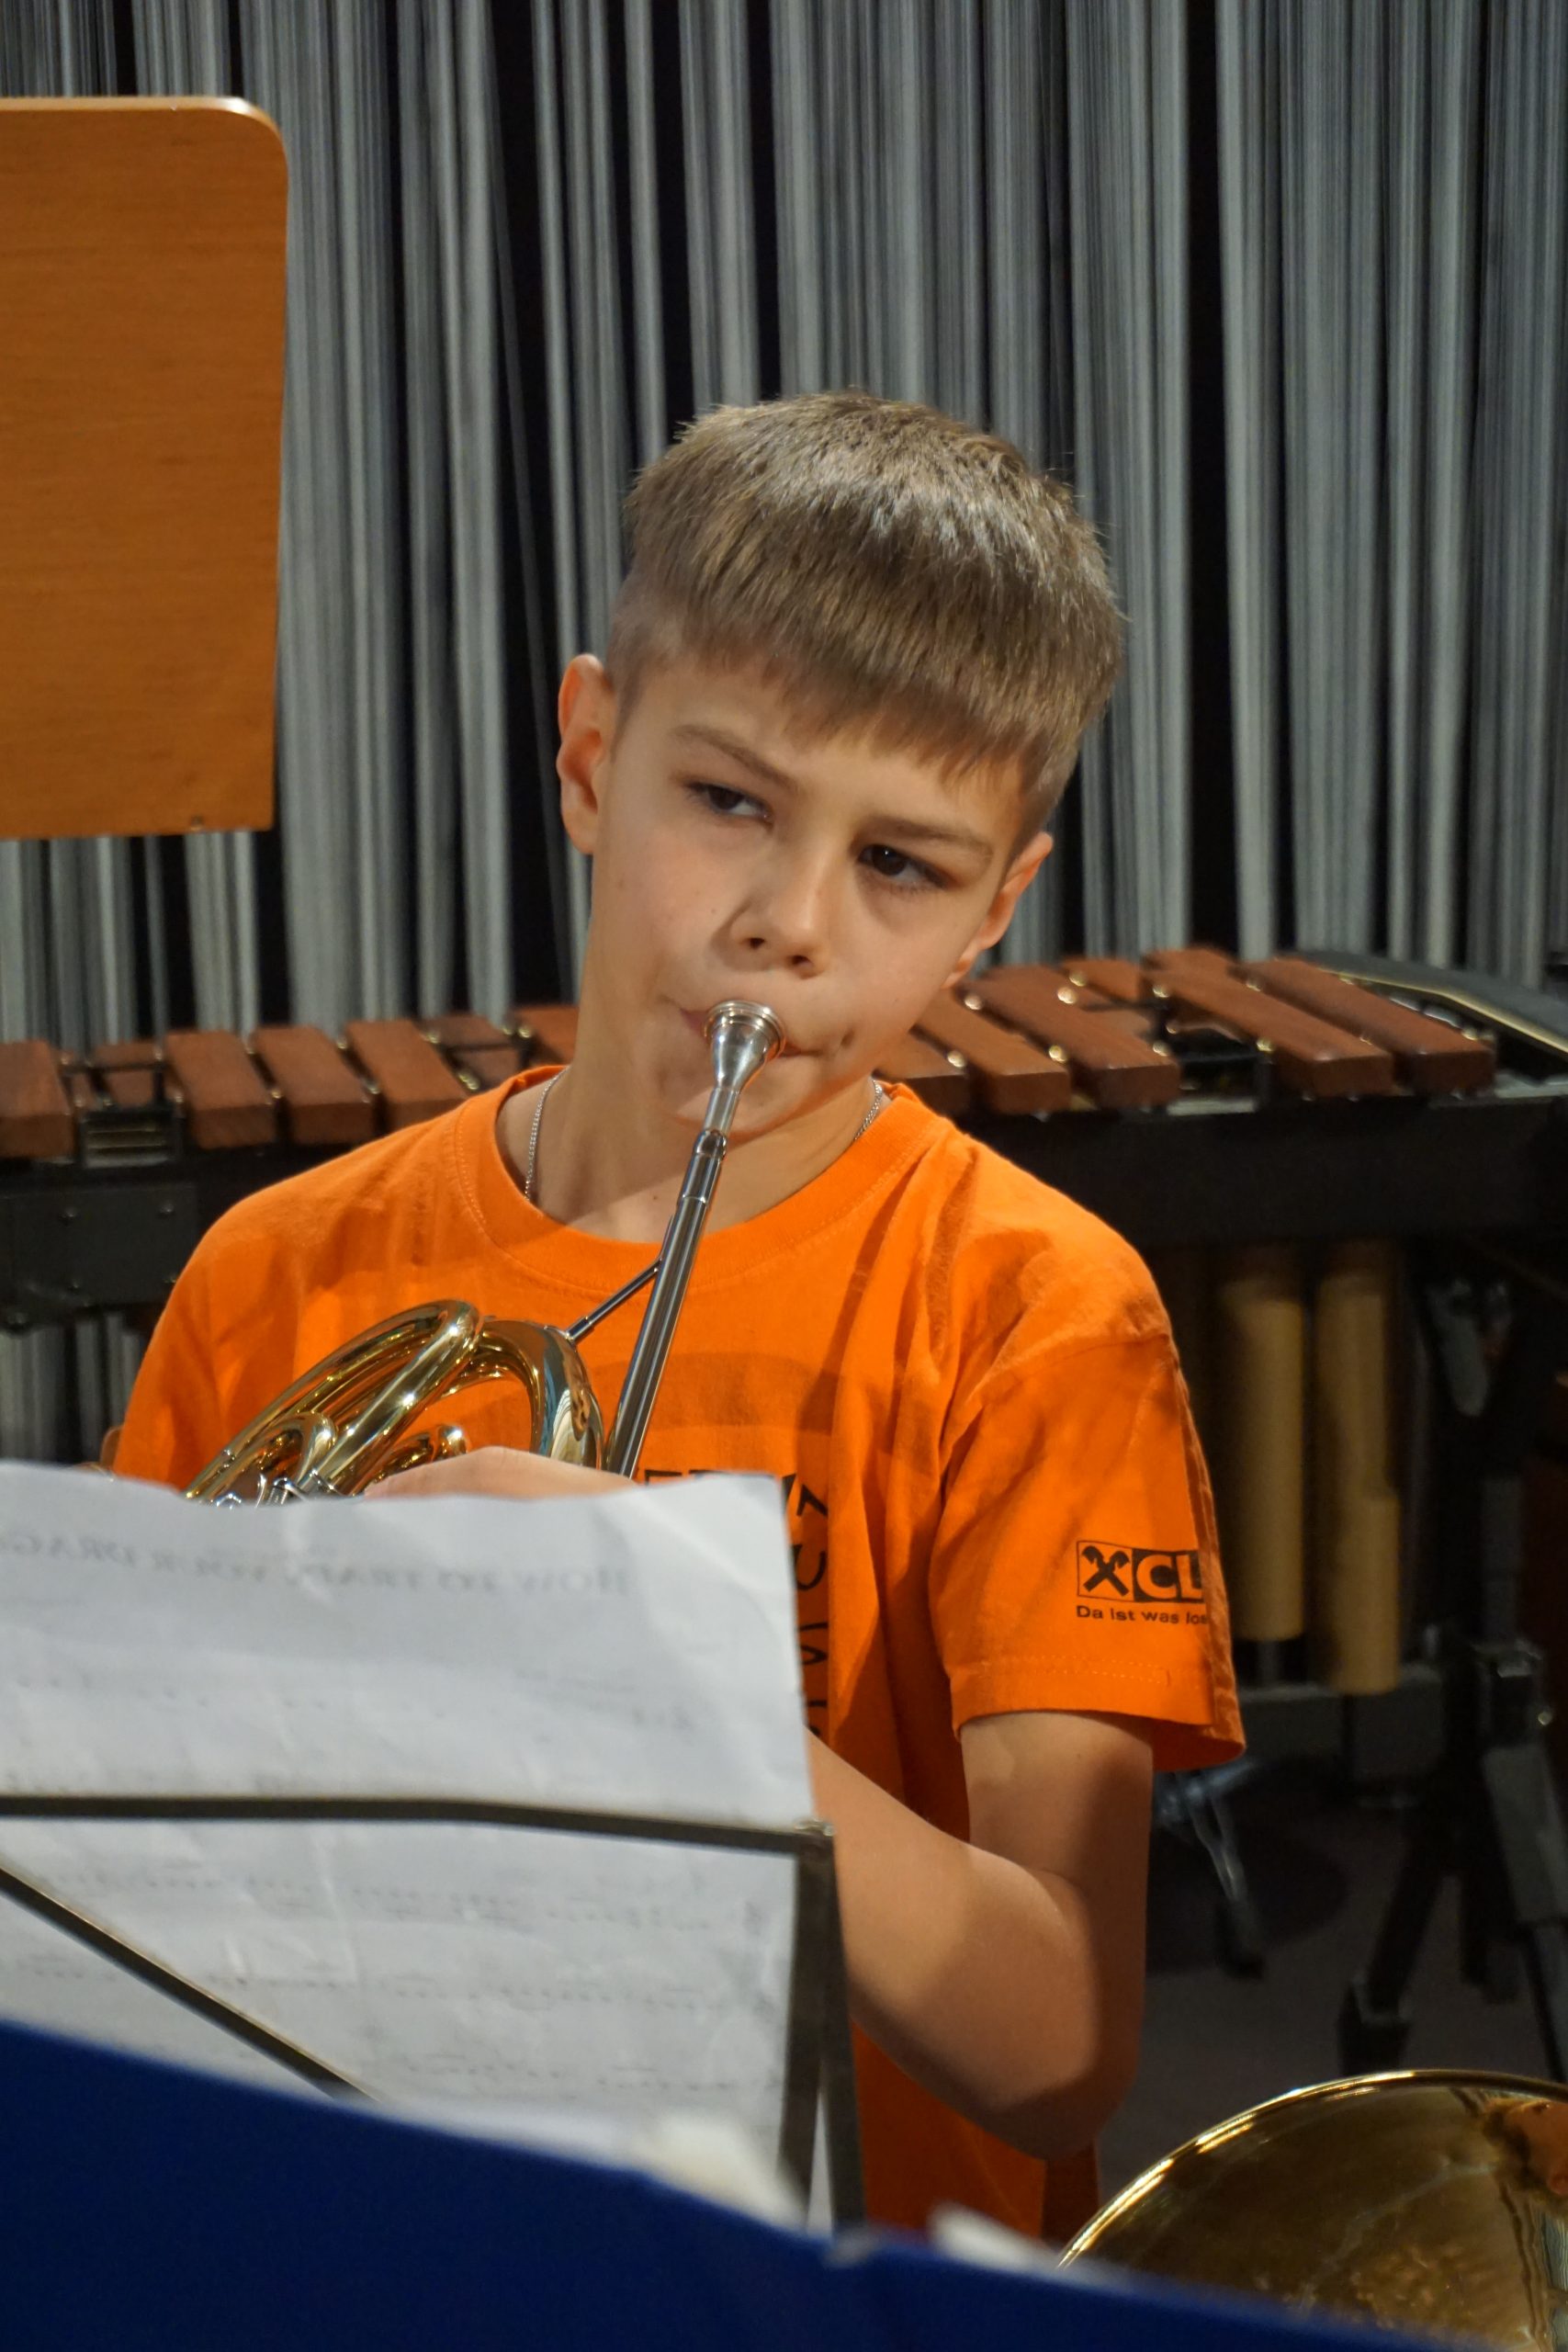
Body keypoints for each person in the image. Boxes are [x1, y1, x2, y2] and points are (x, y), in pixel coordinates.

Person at [115, 390, 1242, 2239]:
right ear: (588, 755)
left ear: (995, 910)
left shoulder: (1037, 1309)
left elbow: (1055, 2046)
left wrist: (666, 1690)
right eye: (729, 802)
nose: (789, 922)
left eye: (899, 865)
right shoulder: (276, 1270)